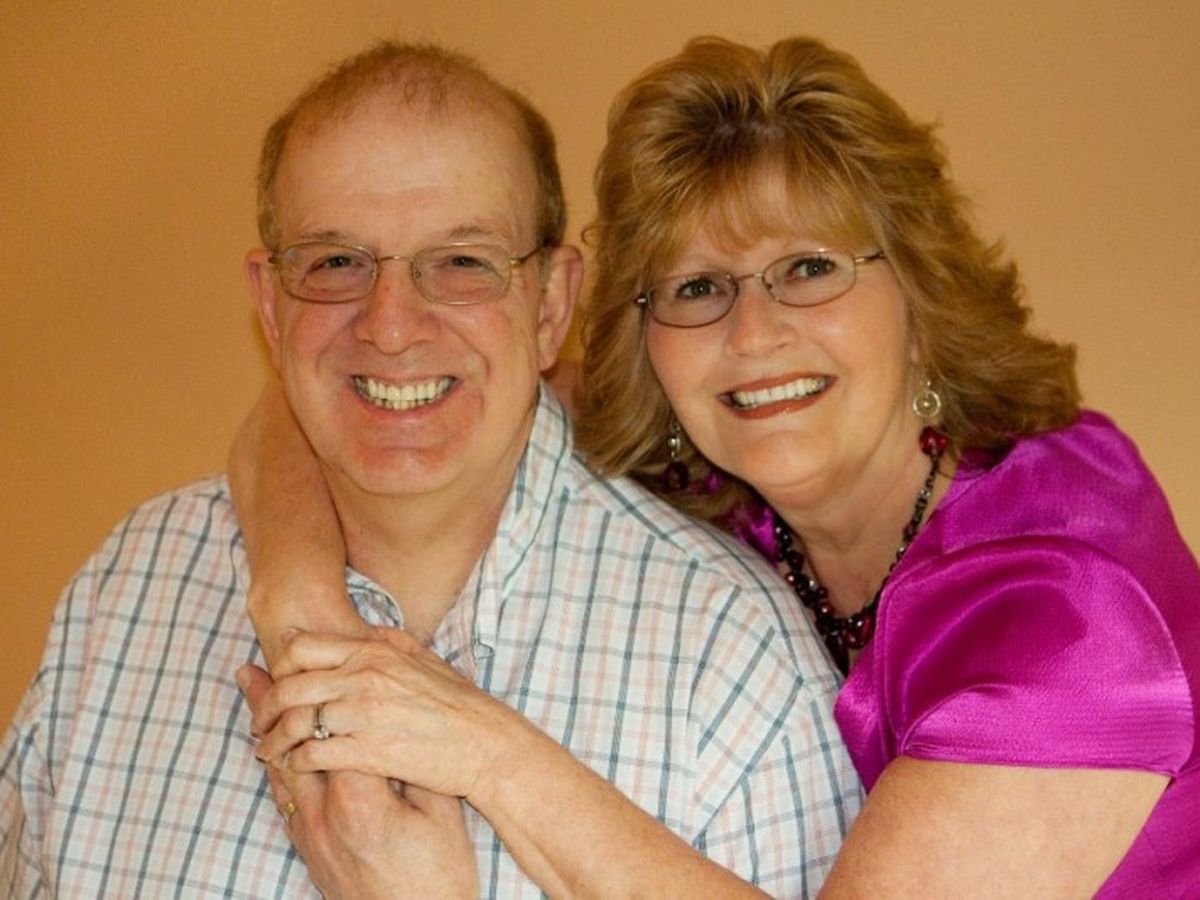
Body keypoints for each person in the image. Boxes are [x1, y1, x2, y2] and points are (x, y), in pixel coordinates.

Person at [236, 34, 1200, 897]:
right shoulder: (730, 474)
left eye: (810, 268)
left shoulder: (1071, 619)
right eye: (698, 288)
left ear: (920, 294)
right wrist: (302, 610)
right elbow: (345, 392)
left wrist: (480, 747)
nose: (753, 334)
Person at [0, 41, 861, 898]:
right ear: (269, 303)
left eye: (461, 263)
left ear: (550, 305)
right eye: (336, 263)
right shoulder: (128, 590)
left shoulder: (729, 664)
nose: (391, 325)